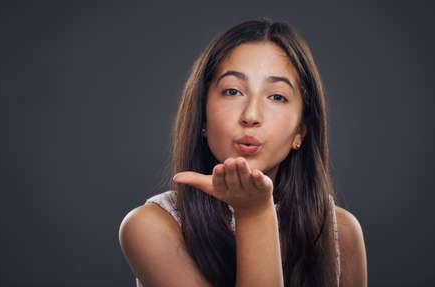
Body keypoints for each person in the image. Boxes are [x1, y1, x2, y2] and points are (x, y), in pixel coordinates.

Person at [119, 17, 367, 287]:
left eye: (277, 97)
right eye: (233, 91)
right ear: (202, 117)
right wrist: (253, 212)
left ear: (301, 131)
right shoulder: (152, 226)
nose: (251, 115)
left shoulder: (338, 232)